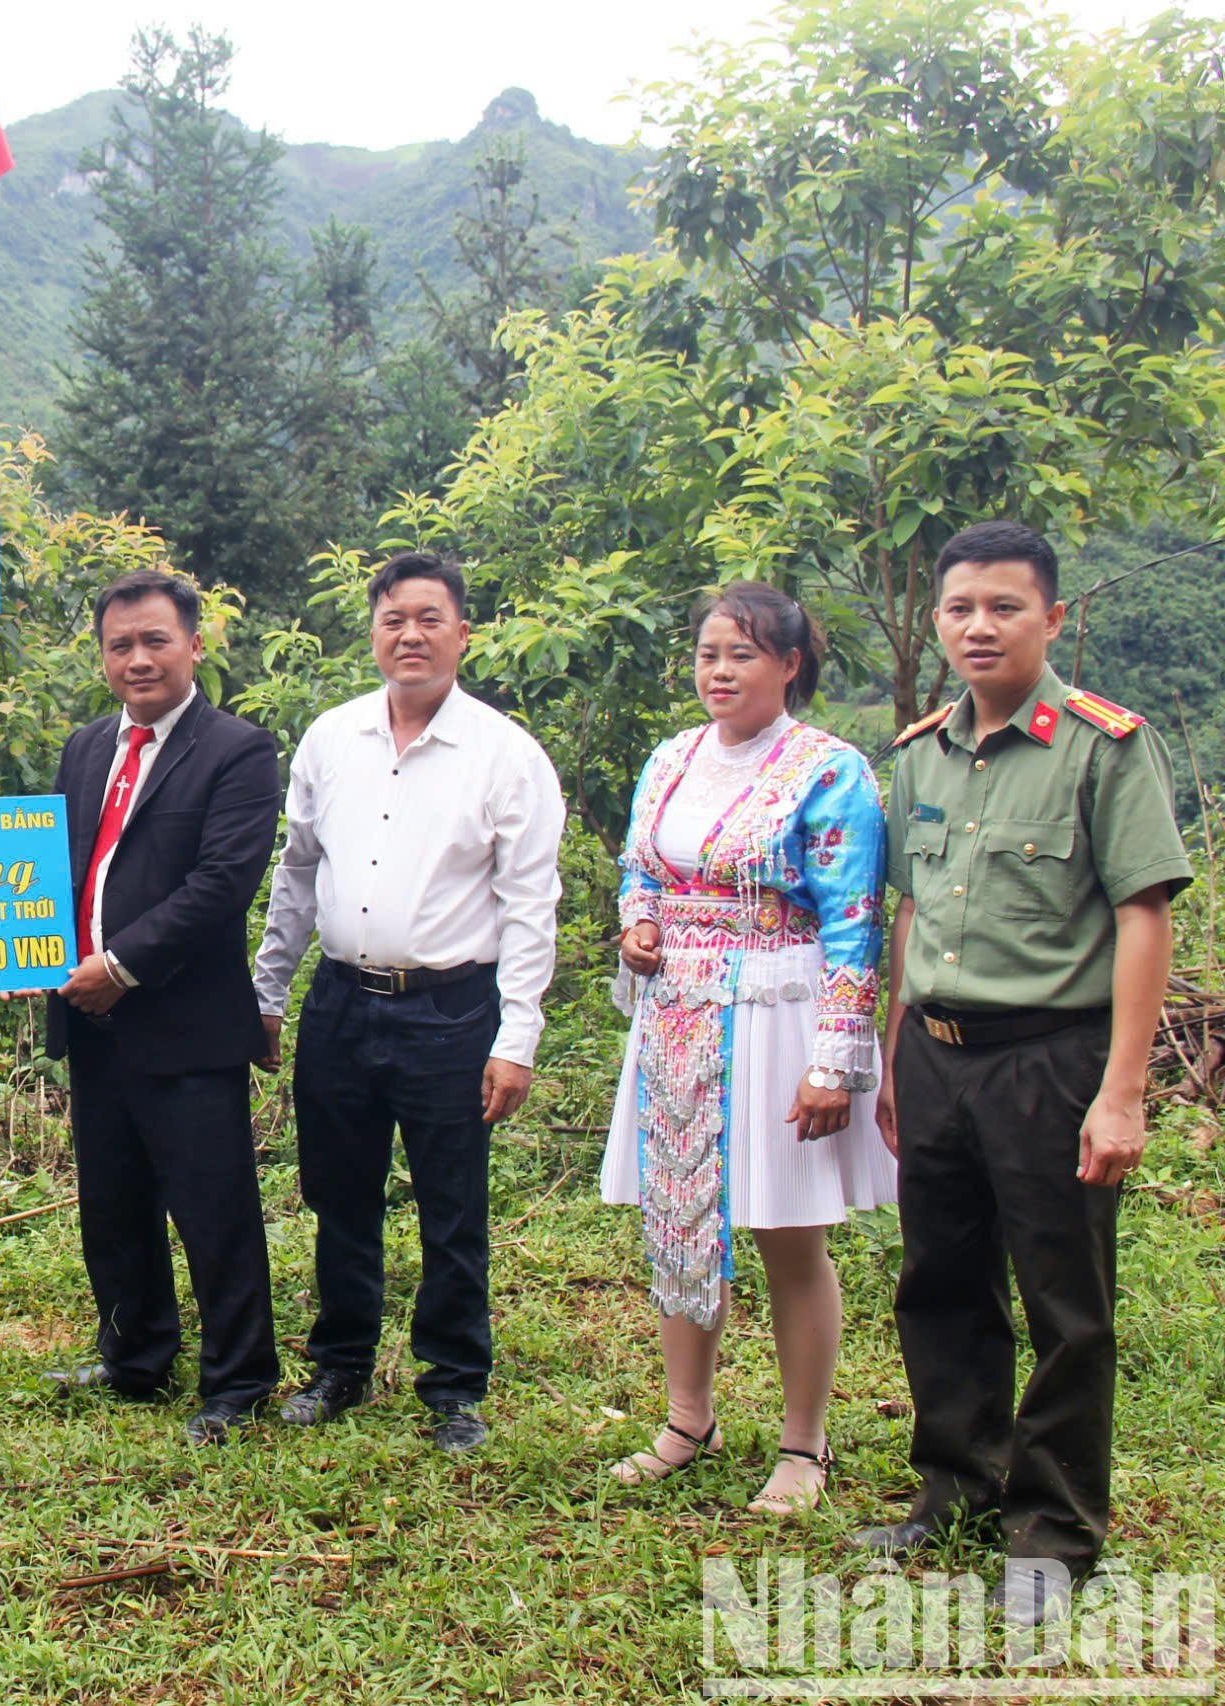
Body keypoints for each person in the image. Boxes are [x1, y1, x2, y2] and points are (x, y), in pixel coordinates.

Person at [857, 521, 1190, 1624]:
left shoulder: (1102, 746)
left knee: (1064, 1302)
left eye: (1003, 606)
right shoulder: (918, 753)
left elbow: (1142, 912)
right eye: (959, 607)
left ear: (1049, 617)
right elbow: (909, 905)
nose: (977, 625)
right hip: (936, 1052)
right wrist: (894, 1056)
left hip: (1052, 1057)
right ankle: (956, 1479)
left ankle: (1050, 1530)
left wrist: (1123, 1087)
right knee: (939, 1283)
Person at [253, 551, 564, 1452]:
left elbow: (529, 904)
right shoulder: (330, 739)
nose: (410, 635)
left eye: (430, 618)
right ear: (374, 632)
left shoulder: (506, 755)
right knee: (338, 1192)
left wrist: (518, 1039)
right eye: (394, 619)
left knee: (451, 1202)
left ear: (463, 634)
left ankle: (452, 1386)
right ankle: (342, 1364)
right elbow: (296, 875)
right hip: (342, 1003)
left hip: (452, 1010)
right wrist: (269, 989)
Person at [598, 582, 893, 1515]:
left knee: (786, 1234)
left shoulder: (828, 768)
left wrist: (835, 1057)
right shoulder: (673, 757)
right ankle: (689, 1419)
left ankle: (803, 1444)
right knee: (678, 1216)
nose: (718, 672)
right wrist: (639, 923)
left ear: (790, 665)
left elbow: (854, 919)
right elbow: (639, 867)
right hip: (678, 1012)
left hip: (777, 1012)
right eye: (707, 655)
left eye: (742, 655)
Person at [42, 569, 284, 1444]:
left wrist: (122, 965)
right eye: (119, 645)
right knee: (111, 1204)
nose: (137, 659)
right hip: (93, 1020)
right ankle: (133, 1356)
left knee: (213, 1209)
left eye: (154, 640)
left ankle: (241, 1380)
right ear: (102, 656)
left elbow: (220, 886)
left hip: (181, 1022)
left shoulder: (238, 750)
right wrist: (27, 951)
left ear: (193, 644)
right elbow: (63, 874)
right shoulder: (84, 748)